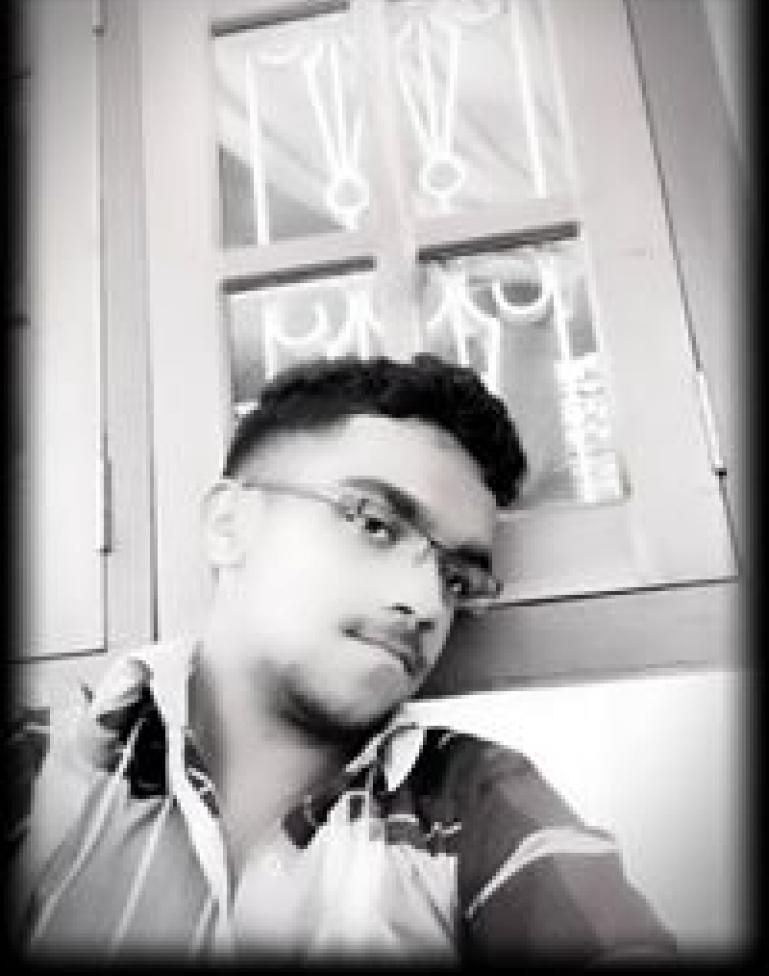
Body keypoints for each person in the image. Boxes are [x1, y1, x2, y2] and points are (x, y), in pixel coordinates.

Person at [11, 354, 676, 963]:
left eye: (455, 579)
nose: (425, 603)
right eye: (374, 524)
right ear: (229, 524)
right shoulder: (40, 766)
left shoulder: (474, 801)